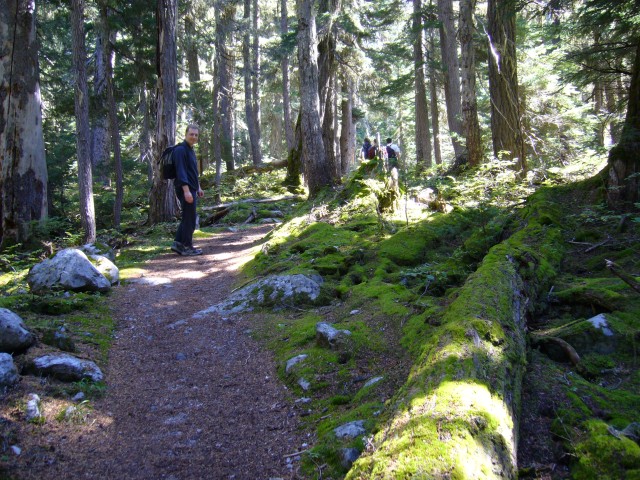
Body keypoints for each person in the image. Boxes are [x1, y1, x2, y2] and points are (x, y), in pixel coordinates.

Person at [171, 124, 204, 256]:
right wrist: (186, 191)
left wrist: (198, 187)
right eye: (191, 134)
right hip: (185, 188)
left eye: (196, 135)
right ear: (186, 134)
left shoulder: (190, 150)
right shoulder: (180, 150)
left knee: (188, 216)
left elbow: (193, 172)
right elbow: (181, 172)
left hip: (191, 187)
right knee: (190, 218)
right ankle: (187, 246)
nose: (194, 137)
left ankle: (178, 243)